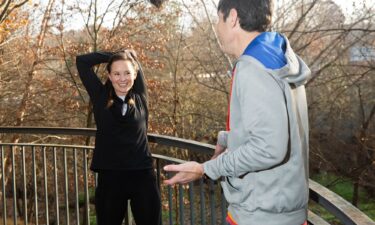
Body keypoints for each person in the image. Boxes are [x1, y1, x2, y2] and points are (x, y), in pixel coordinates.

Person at [163, 0, 311, 225]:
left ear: (232, 18)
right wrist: (230, 138)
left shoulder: (253, 67)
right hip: (279, 211)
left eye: (218, 19)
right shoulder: (276, 56)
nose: (216, 28)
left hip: (261, 215)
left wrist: (205, 168)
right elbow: (280, 127)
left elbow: (269, 148)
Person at [76, 50, 161, 225]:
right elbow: (82, 61)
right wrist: (115, 55)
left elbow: (135, 64)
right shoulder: (100, 97)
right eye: (116, 73)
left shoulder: (140, 97)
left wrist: (130, 57)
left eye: (127, 73)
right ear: (109, 75)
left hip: (142, 176)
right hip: (111, 177)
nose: (122, 78)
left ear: (135, 74)